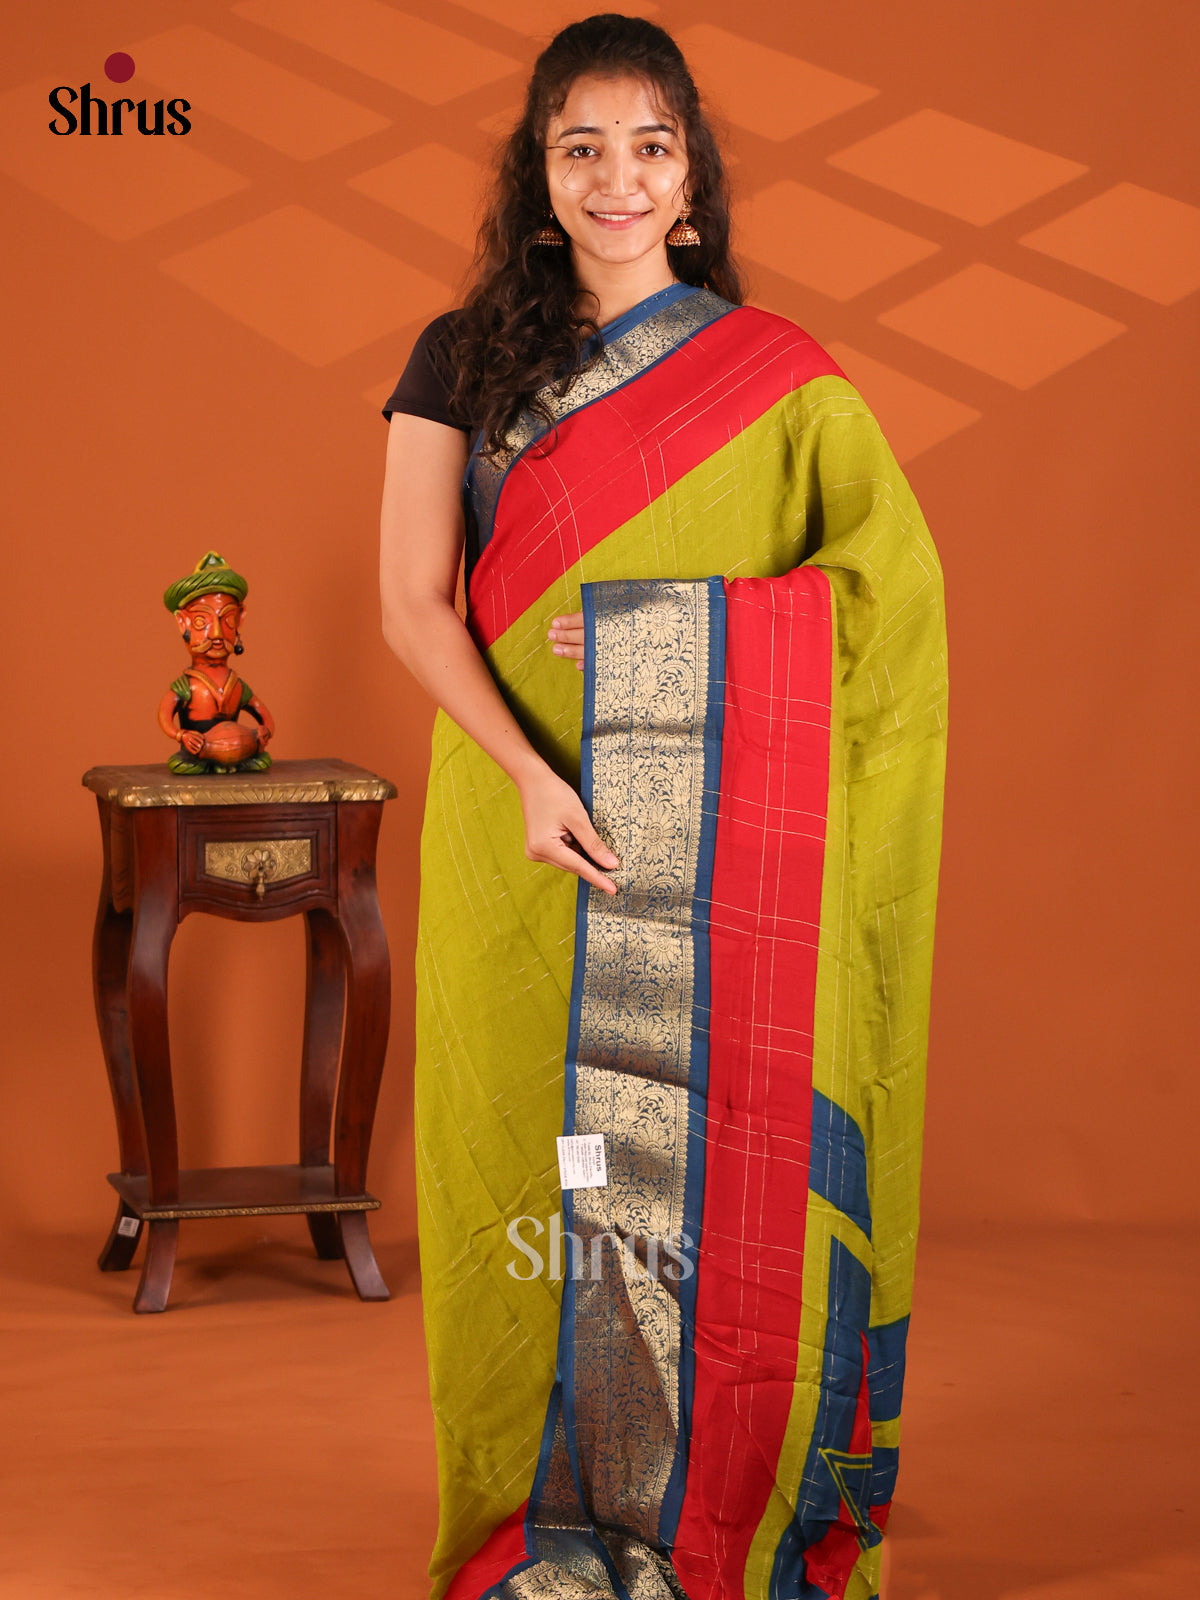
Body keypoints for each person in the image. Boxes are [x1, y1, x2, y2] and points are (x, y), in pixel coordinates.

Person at [378, 15, 947, 1600]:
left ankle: (712, 1491)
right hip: (521, 830)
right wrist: (529, 773)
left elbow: (886, 604)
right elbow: (413, 602)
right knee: (549, 1165)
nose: (616, 178)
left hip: (716, 848)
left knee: (699, 1171)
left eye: (649, 146)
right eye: (582, 147)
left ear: (690, 179)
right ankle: (563, 1506)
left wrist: (679, 639)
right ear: (539, 173)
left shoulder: (775, 380)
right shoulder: (460, 356)